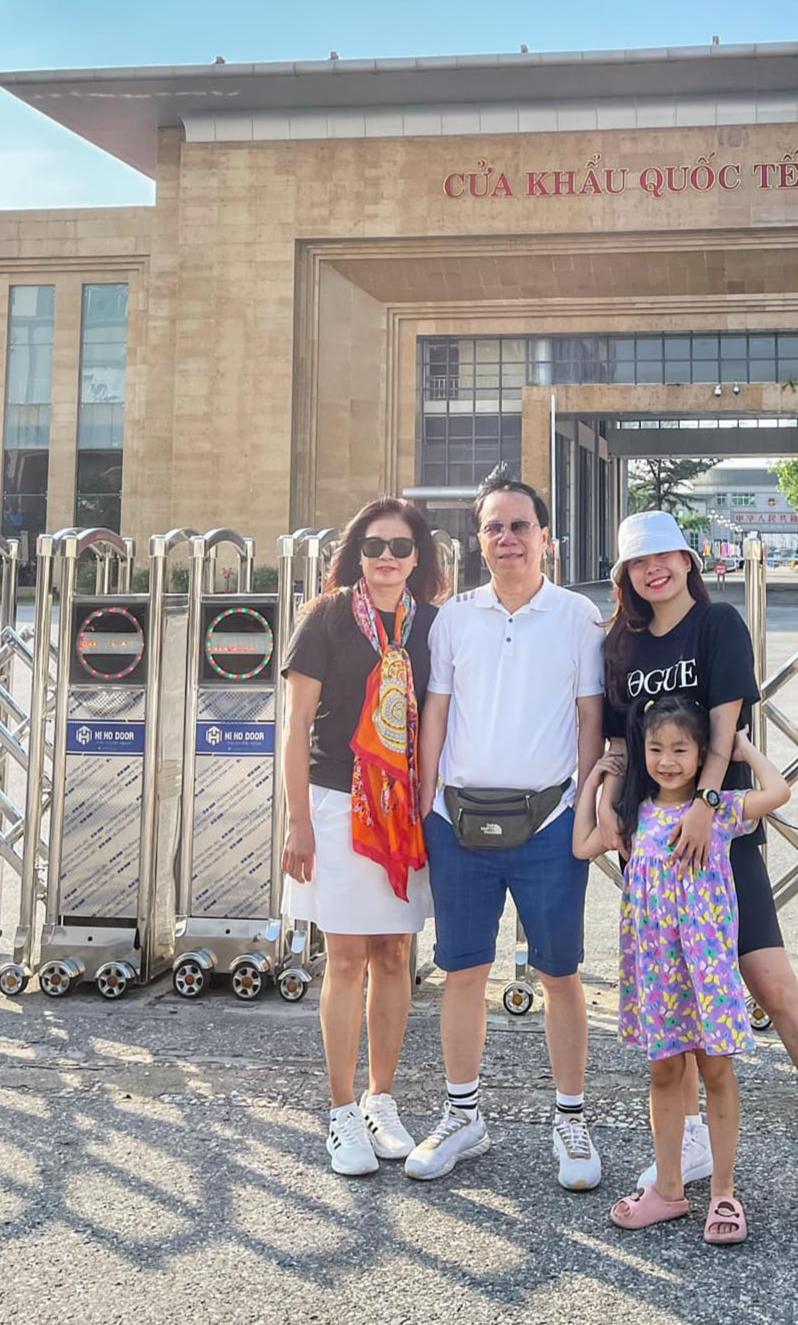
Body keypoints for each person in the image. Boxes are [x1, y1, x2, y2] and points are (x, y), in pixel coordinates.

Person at [598, 510, 798, 1240]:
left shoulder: (717, 624)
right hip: (654, 846)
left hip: (718, 838)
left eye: (665, 556)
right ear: (625, 575)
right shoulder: (621, 644)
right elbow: (619, 745)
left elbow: (726, 728)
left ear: (687, 560)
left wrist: (706, 805)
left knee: (773, 985)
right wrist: (611, 812)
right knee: (673, 1009)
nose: (653, 570)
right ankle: (687, 1153)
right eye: (638, 562)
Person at [406, 473, 606, 1189]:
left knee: (560, 973)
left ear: (545, 537)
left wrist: (585, 803)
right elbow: (436, 709)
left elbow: (590, 715)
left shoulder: (578, 616)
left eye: (520, 525)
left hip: (550, 819)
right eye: (494, 526)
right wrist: (425, 798)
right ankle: (462, 1115)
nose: (508, 538)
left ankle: (571, 1118)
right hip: (457, 819)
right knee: (463, 970)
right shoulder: (453, 617)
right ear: (479, 539)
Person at [574, 697, 789, 1245]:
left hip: (707, 969)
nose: (667, 761)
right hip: (658, 973)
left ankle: (723, 1191)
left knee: (717, 1072)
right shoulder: (635, 815)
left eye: (680, 750)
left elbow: (778, 791)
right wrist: (596, 783)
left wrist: (740, 749)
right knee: (665, 1073)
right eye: (656, 749)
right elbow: (582, 846)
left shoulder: (716, 813)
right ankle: (669, 1188)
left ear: (700, 756)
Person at [280, 498, 445, 1176]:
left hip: (402, 810)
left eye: (401, 547)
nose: (387, 557)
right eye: (375, 545)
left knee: (394, 952)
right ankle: (342, 1111)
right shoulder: (324, 618)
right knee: (346, 955)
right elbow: (296, 726)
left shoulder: (432, 625)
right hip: (335, 803)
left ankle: (381, 1098)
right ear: (356, 552)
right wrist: (297, 821)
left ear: (417, 557)